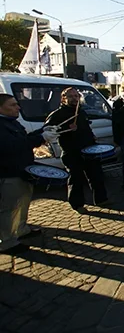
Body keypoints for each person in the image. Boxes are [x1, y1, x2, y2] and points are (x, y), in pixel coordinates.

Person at [0, 94, 59, 254]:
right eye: (12, 105)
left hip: (23, 171)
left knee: (22, 202)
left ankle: (21, 229)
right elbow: (11, 146)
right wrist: (40, 137)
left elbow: (24, 139)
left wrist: (42, 131)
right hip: (8, 173)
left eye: (17, 104)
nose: (18, 107)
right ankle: (7, 242)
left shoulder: (11, 122)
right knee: (9, 208)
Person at [46, 88, 110, 213]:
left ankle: (101, 199)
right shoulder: (57, 114)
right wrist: (66, 128)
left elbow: (86, 127)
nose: (74, 98)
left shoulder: (81, 112)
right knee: (76, 179)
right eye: (71, 96)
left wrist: (92, 137)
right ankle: (77, 204)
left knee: (96, 175)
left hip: (89, 150)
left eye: (76, 96)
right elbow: (49, 131)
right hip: (72, 151)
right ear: (64, 98)